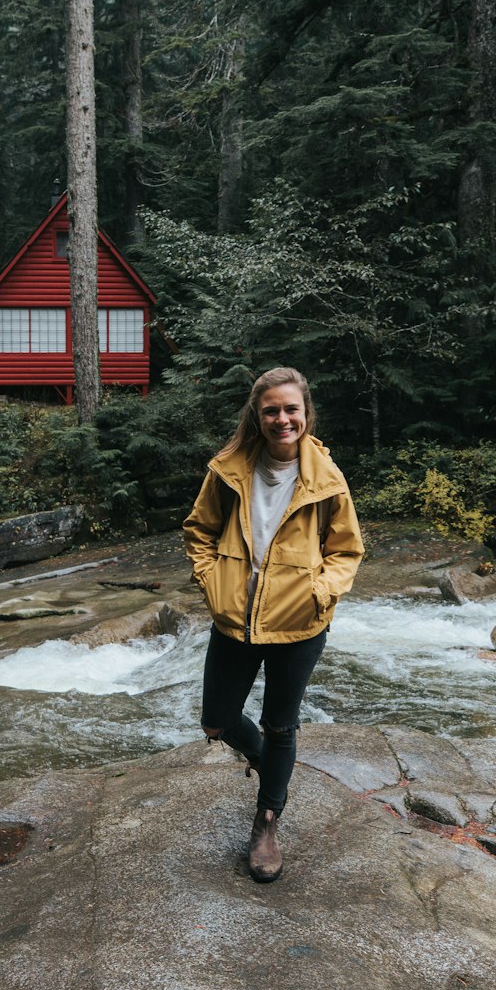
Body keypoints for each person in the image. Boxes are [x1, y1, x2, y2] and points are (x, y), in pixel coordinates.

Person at [182, 366, 364, 882]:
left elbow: (346, 549)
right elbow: (199, 530)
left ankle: (267, 822)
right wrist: (211, 580)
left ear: (306, 414)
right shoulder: (228, 470)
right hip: (234, 618)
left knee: (281, 723)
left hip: (299, 624)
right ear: (256, 416)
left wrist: (319, 592)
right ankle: (266, 762)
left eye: (291, 409)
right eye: (271, 410)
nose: (282, 419)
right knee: (216, 720)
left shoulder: (326, 478)